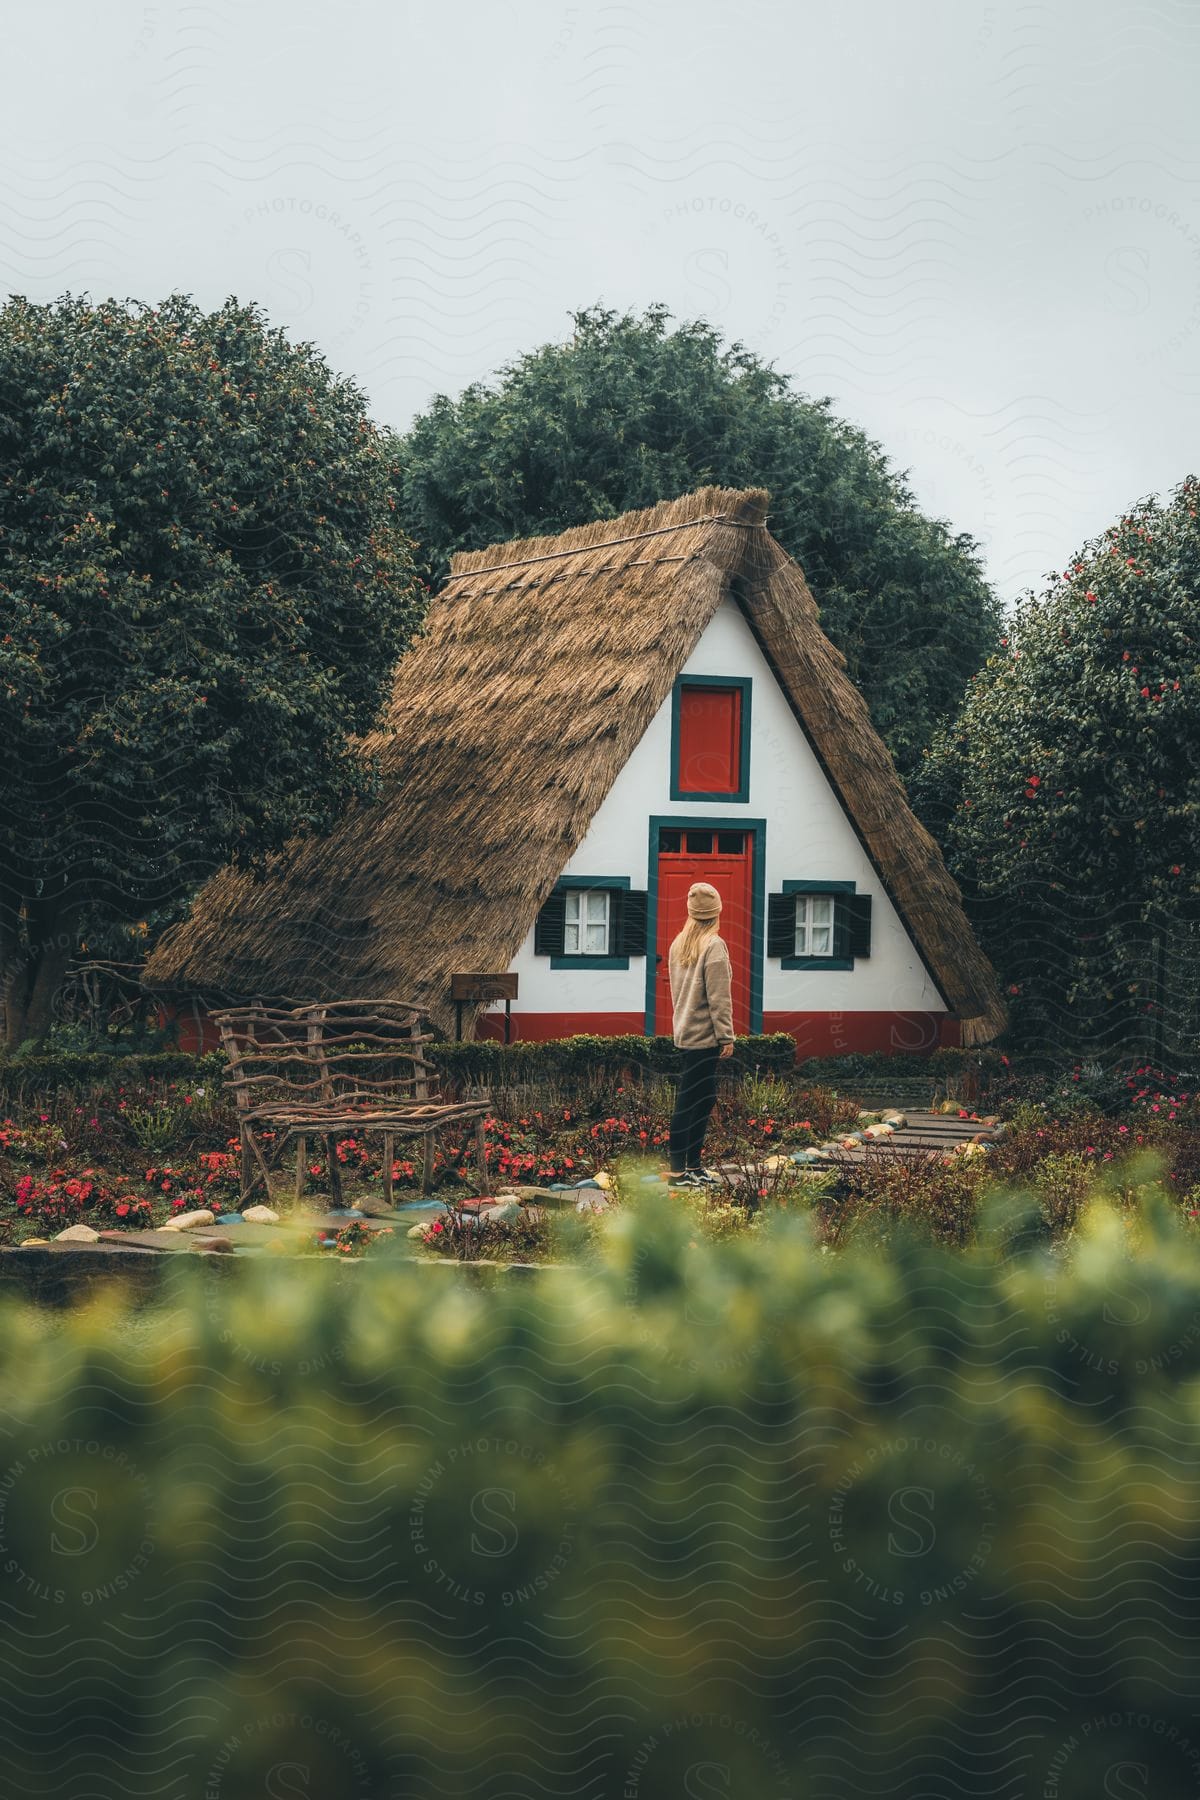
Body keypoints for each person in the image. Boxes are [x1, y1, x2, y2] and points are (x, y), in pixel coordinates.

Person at [667, 881, 735, 1183]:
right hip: (705, 1038)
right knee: (691, 1102)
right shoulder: (714, 945)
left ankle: (692, 1167)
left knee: (701, 1100)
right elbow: (720, 998)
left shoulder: (678, 944)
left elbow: (677, 994)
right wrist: (727, 1036)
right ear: (715, 913)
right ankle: (678, 1171)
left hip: (685, 1033)